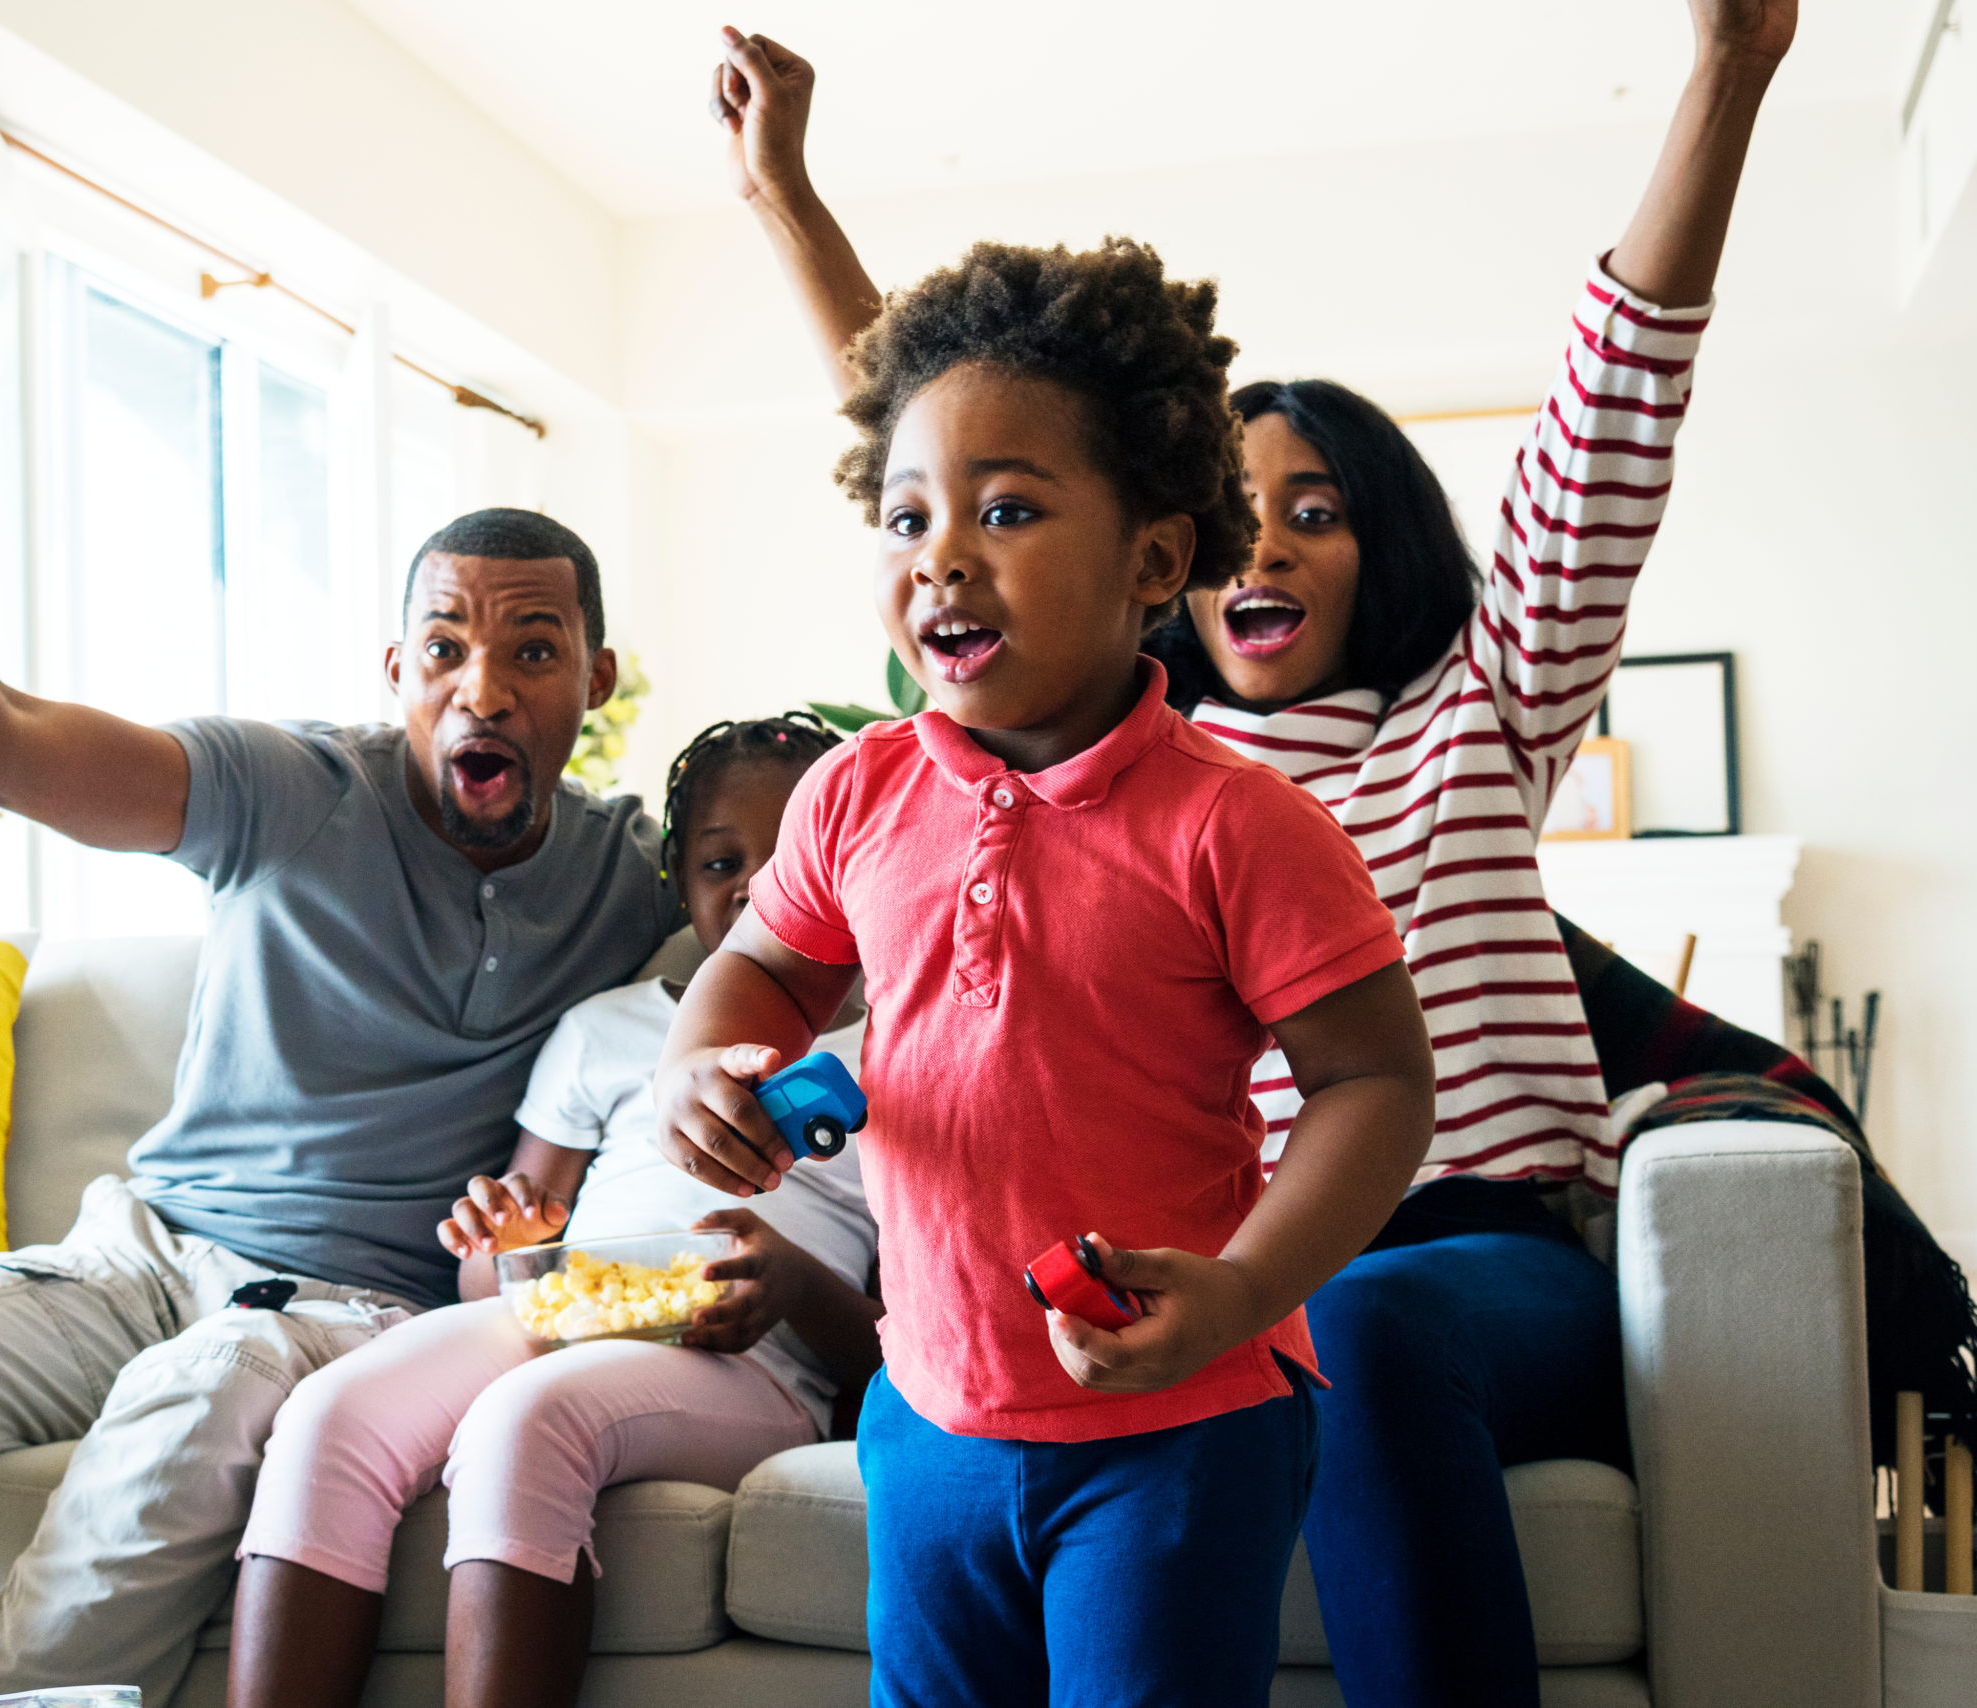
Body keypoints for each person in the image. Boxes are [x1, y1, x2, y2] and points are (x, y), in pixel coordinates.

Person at [708, 6, 1796, 1701]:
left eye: (1322, 505)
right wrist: (786, 203)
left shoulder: (1476, 713)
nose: (1270, 539)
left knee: (1353, 1325)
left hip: (1462, 1250)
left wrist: (1726, 74)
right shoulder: (1092, 745)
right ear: (1173, 564)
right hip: (1154, 1294)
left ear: (1387, 548)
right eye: (1246, 511)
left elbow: (1605, 440)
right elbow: (960, 445)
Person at [0, 307, 679, 1708]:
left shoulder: (639, 876)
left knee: (194, 1405)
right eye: (445, 647)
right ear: (396, 673)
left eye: (534, 651)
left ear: (594, 681)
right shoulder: (292, 790)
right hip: (137, 1261)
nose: (484, 685)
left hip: (350, 1310)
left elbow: (834, 888)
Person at [655, 237, 1438, 1706]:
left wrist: (1246, 1284)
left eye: (1005, 509)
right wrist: (708, 1063)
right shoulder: (854, 792)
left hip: (1181, 1422)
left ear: (1154, 557)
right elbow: (766, 966)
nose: (940, 554)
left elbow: (1378, 1082)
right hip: (930, 1414)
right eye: (905, 517)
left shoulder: (1240, 825)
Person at [227, 711, 880, 1708]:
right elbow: (494, 1278)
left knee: (523, 1419)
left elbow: (900, 1353)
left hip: (757, 1365)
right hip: (571, 1314)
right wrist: (514, 1245)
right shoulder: (606, 1029)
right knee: (326, 1413)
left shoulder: (900, 1049)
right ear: (679, 882)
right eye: (719, 861)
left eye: (788, 855)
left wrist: (785, 1282)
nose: (755, 886)